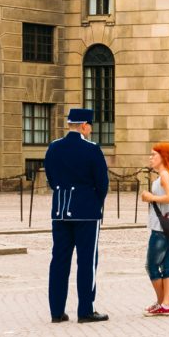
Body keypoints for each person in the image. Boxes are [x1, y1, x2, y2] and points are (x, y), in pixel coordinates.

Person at [45, 106, 112, 322]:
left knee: (59, 261)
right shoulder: (91, 149)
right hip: (86, 212)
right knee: (87, 261)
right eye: (89, 126)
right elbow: (102, 183)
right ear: (84, 125)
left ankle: (56, 311)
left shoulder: (54, 147)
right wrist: (95, 202)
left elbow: (51, 179)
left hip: (60, 210)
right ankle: (85, 310)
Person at [138, 142, 169, 316]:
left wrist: (150, 197)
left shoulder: (165, 175)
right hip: (168, 228)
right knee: (167, 266)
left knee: (151, 266)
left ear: (163, 157)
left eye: (154, 155)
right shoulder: (167, 175)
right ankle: (166, 304)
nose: (150, 158)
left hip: (160, 229)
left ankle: (162, 303)